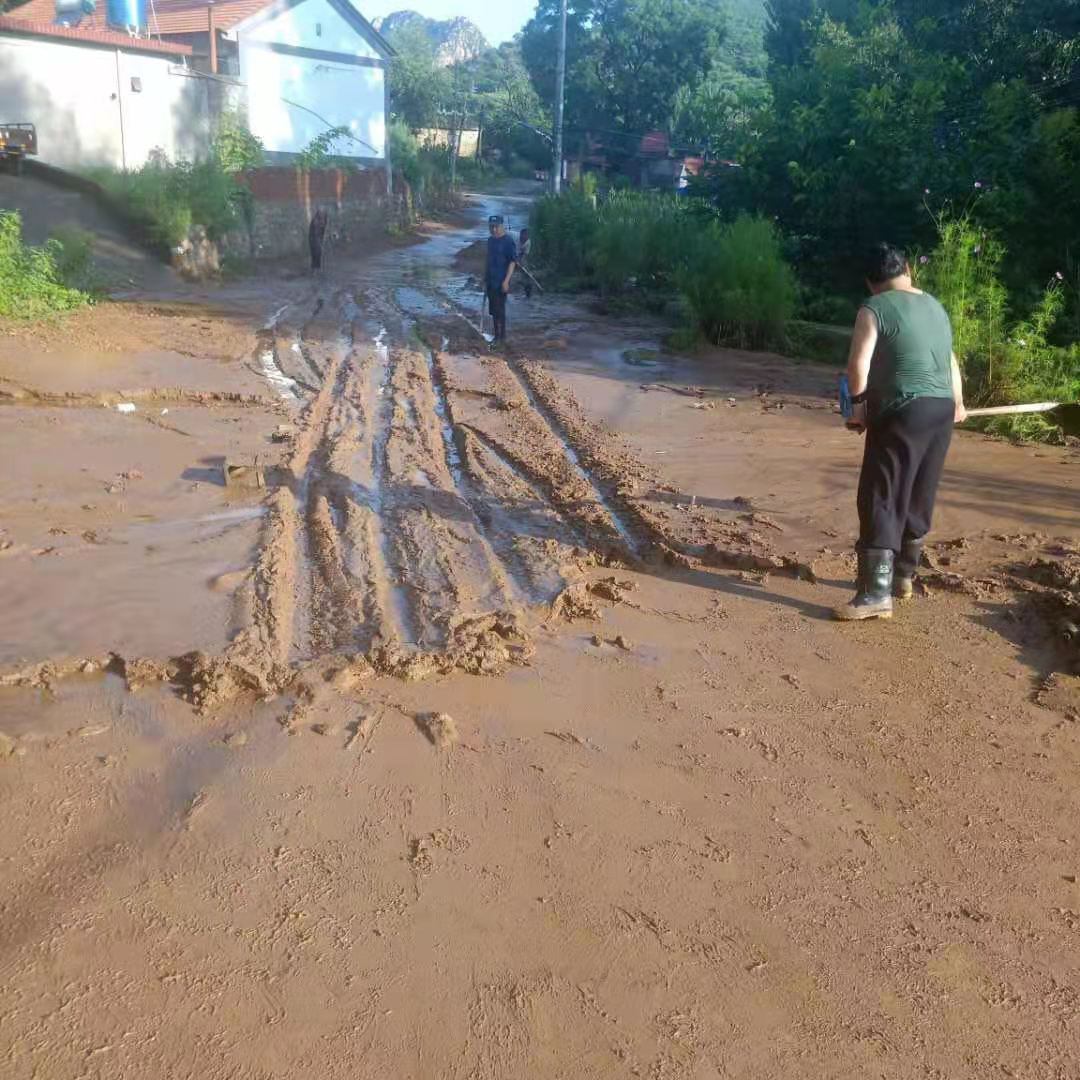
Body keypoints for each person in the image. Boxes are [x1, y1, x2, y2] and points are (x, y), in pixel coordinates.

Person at [833, 241, 967, 621]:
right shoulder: (935, 306)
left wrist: (858, 409)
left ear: (869, 281)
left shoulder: (873, 308)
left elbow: (858, 364)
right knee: (920, 490)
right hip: (941, 408)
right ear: (908, 269)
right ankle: (902, 577)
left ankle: (875, 594)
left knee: (882, 493)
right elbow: (950, 360)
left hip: (903, 410)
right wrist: (958, 402)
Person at [485, 214, 517, 343]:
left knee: (500, 309)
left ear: (502, 226)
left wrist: (506, 281)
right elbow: (488, 261)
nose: (494, 229)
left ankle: (501, 337)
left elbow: (512, 262)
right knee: (493, 310)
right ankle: (496, 335)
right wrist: (485, 278)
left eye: (496, 226)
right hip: (491, 281)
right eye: (491, 227)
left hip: (501, 281)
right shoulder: (490, 241)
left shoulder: (508, 241)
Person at [309, 208, 328, 273]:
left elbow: (323, 229)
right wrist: (319, 242)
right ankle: (315, 268)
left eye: (323, 213)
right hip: (314, 238)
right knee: (316, 253)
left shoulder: (324, 219)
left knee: (319, 253)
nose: (323, 215)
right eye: (321, 213)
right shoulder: (315, 220)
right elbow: (315, 232)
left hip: (319, 238)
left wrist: (322, 238)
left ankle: (317, 268)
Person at [518, 226, 533, 298]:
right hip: (518, 256)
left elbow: (523, 253)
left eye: (526, 235)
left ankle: (528, 292)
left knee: (526, 275)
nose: (524, 237)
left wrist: (520, 262)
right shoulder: (518, 239)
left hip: (522, 256)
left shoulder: (528, 242)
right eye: (523, 235)